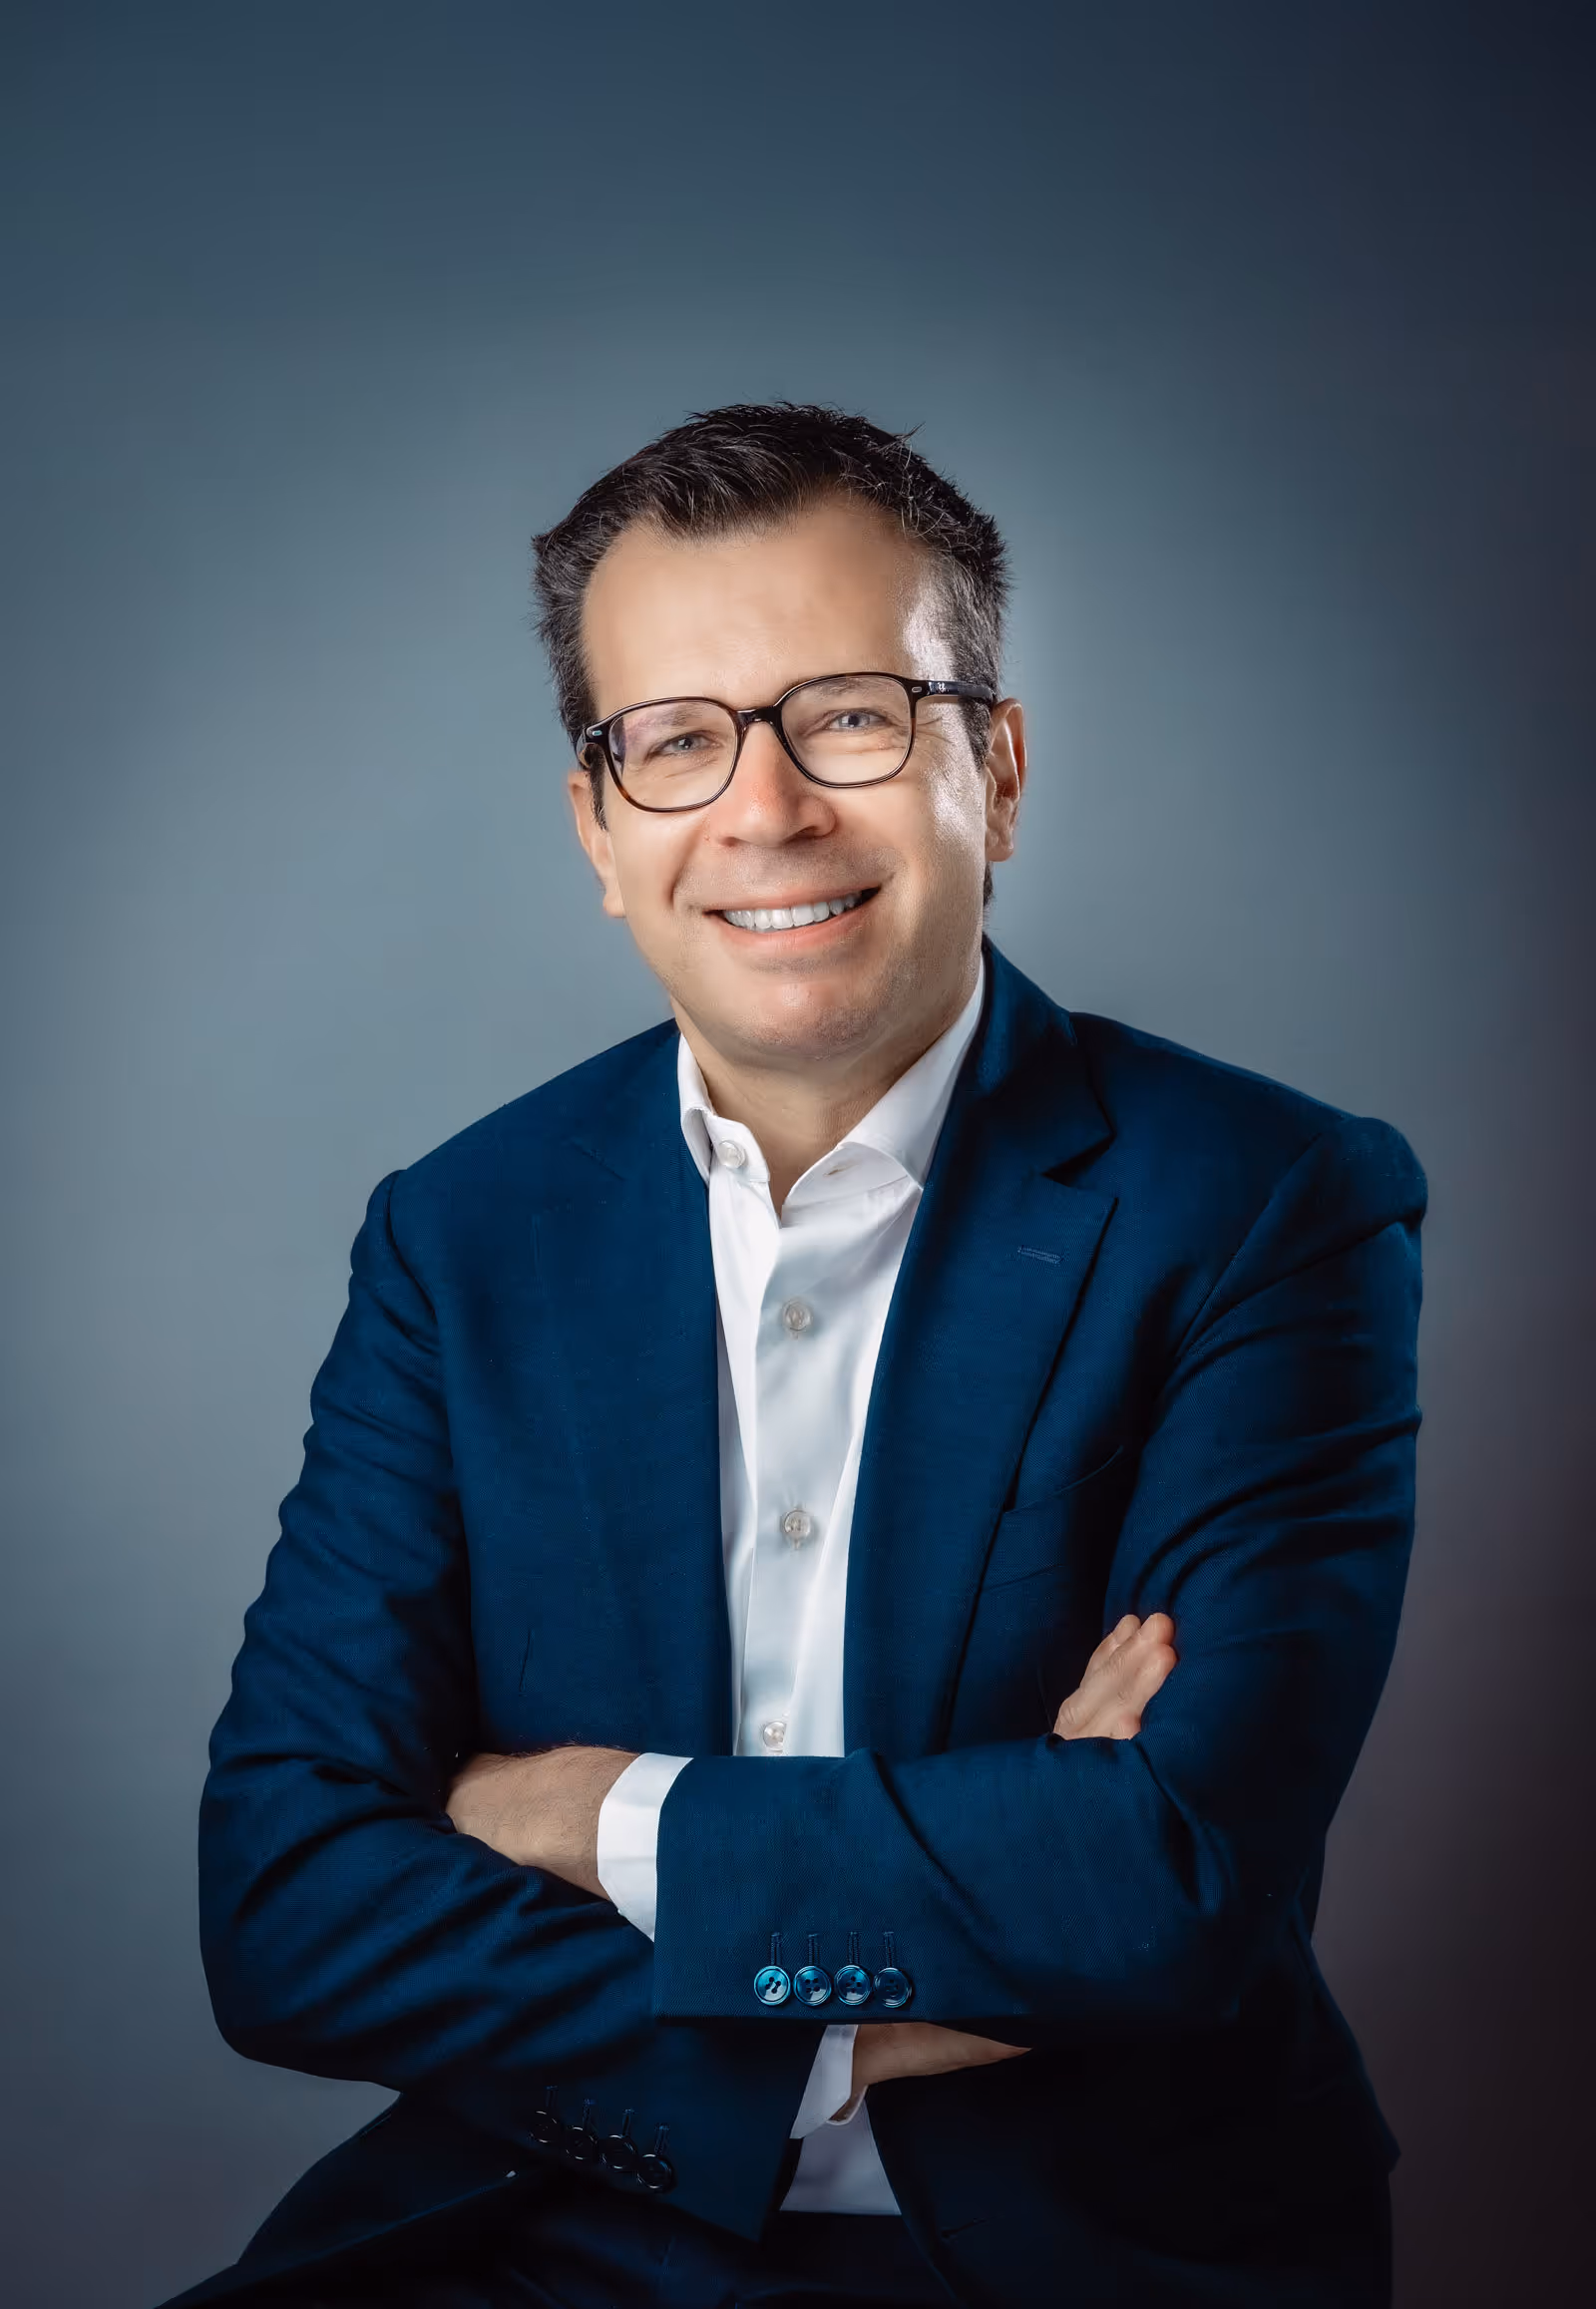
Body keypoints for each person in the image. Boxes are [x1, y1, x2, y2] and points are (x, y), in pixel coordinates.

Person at [159, 405, 1424, 2309]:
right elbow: (284, 1907)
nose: (765, 813)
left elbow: (1166, 1884)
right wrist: (875, 2018)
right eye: (673, 742)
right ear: (599, 827)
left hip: (1090, 2246)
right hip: (556, 2214)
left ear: (991, 764)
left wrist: (590, 1814)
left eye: (847, 714)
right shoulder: (463, 1232)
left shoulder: (1268, 1202)